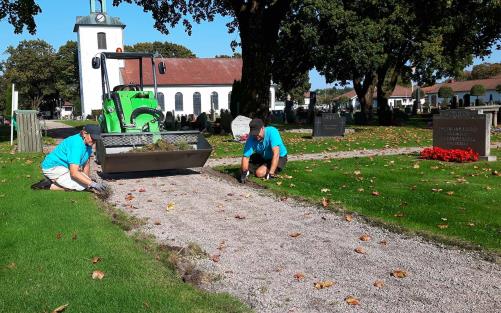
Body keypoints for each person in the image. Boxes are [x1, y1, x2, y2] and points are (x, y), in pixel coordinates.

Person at [31, 125, 106, 192]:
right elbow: (74, 173)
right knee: (81, 186)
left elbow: (86, 163)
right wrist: (91, 184)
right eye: (92, 138)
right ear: (84, 133)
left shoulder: (87, 143)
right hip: (53, 168)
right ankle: (48, 185)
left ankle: (56, 181)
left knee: (86, 183)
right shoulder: (76, 145)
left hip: (65, 168)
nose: (94, 141)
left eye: (96, 139)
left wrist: (88, 180)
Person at [240, 118, 288, 183]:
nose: (256, 136)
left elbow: (276, 154)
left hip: (279, 157)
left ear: (262, 128)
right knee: (243, 168)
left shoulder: (272, 132)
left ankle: (267, 169)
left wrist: (271, 173)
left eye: (257, 133)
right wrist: (244, 172)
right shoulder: (251, 137)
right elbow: (246, 156)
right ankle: (259, 167)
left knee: (259, 173)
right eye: (254, 134)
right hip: (263, 156)